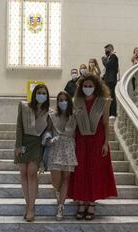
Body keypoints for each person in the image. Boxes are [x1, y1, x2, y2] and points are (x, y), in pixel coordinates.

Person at [68, 73, 118, 221]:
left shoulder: (103, 102)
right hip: (80, 140)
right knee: (80, 170)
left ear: (96, 87)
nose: (87, 88)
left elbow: (105, 124)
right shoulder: (76, 101)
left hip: (97, 140)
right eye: (85, 86)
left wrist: (106, 143)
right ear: (80, 87)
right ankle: (81, 202)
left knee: (94, 171)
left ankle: (91, 203)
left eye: (90, 86)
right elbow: (72, 123)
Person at [14, 84, 51, 222]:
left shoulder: (49, 112)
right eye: (39, 92)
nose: (41, 95)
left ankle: (31, 208)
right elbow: (19, 125)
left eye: (44, 93)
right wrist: (18, 145)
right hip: (23, 142)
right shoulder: (24, 107)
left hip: (37, 144)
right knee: (23, 173)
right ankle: (28, 204)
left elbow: (49, 130)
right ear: (34, 93)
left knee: (32, 173)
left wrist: (48, 138)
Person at [47, 91, 78, 221]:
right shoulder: (52, 115)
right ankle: (59, 196)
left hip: (69, 147)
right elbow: (48, 130)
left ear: (69, 101)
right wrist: (48, 139)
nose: (62, 102)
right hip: (56, 146)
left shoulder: (74, 116)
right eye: (60, 100)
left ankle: (61, 205)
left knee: (66, 178)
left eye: (65, 100)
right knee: (55, 180)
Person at [101, 44, 119, 117]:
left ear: (110, 49)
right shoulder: (109, 57)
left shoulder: (113, 57)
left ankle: (113, 113)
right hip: (108, 80)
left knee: (112, 97)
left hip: (111, 80)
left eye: (106, 50)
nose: (105, 52)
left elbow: (108, 65)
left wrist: (103, 60)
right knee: (109, 96)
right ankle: (109, 112)